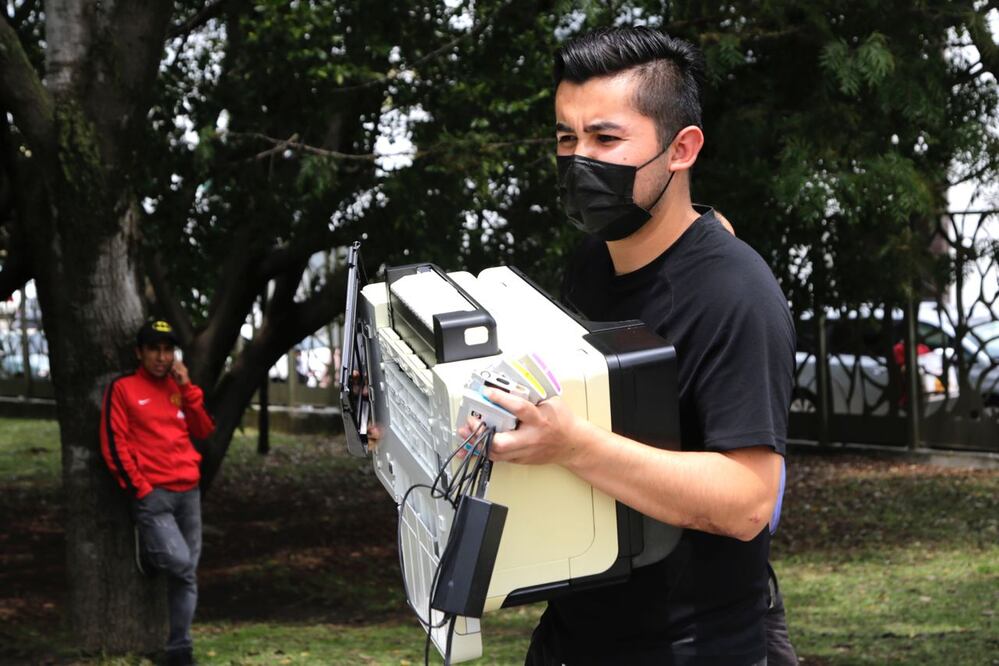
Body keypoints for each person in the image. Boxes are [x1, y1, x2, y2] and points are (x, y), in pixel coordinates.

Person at [467, 27, 795, 664]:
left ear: (681, 149)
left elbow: (750, 501)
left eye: (606, 138)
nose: (579, 159)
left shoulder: (736, 295)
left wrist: (575, 444)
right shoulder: (592, 263)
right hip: (575, 635)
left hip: (695, 646)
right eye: (567, 138)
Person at [99, 319, 215, 666]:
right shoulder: (123, 389)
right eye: (154, 349)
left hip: (188, 492)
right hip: (154, 495)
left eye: (168, 350)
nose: (162, 357)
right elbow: (114, 443)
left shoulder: (178, 388)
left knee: (186, 573)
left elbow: (203, 429)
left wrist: (189, 388)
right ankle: (152, 551)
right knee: (180, 564)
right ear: (140, 352)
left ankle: (179, 651)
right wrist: (141, 489)